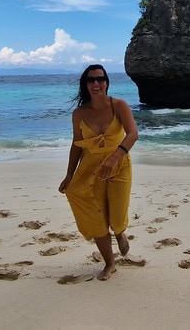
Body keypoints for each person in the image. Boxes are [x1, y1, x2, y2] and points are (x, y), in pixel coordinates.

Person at [58, 64, 138, 281]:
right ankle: (110, 263)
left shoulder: (118, 105)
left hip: (119, 165)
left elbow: (132, 134)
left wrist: (113, 158)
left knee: (117, 213)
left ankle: (119, 232)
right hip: (90, 168)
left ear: (107, 82)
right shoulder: (79, 113)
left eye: (100, 79)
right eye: (91, 80)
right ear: (85, 84)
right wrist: (69, 175)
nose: (96, 83)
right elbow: (76, 145)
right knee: (96, 216)